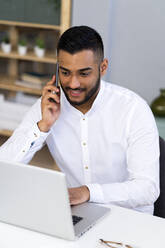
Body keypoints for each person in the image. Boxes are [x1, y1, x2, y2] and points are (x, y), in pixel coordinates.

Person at [0, 26, 159, 214]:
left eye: (84, 74)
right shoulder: (48, 105)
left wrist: (88, 192)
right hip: (77, 215)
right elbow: (4, 167)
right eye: (65, 72)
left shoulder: (133, 109)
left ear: (103, 67)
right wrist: (42, 127)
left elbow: (147, 189)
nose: (73, 84)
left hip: (129, 219)